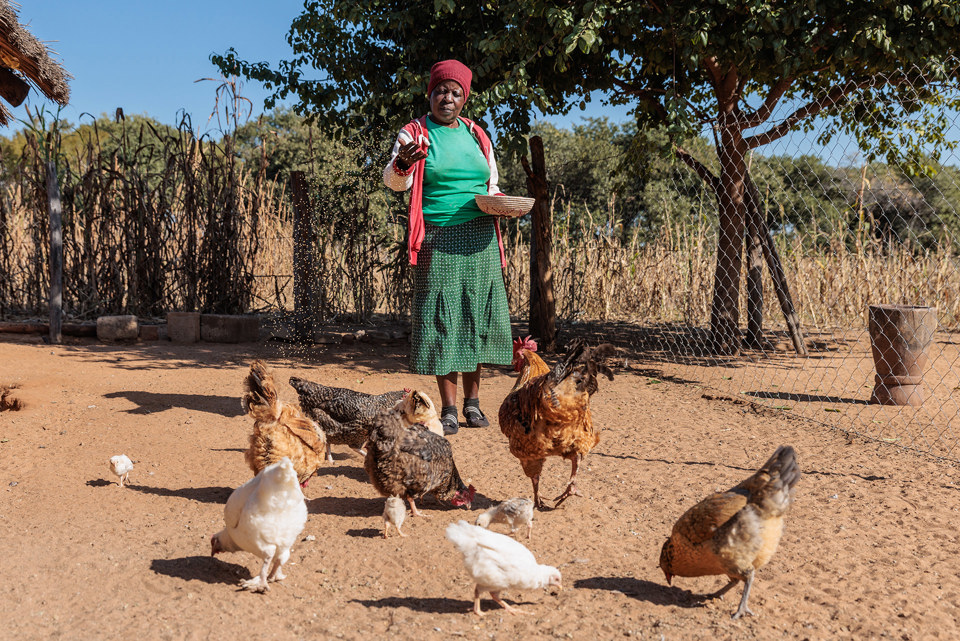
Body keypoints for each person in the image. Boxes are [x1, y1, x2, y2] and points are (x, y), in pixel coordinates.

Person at [383, 59, 512, 436]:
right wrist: (403, 165)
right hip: (438, 235)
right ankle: (450, 409)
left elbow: (492, 185)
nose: (448, 98)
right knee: (444, 317)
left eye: (456, 93)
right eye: (442, 90)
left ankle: (473, 404)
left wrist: (502, 202)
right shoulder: (414, 132)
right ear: (431, 93)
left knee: (476, 313)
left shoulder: (477, 134)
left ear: (464, 98)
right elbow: (394, 182)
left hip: (480, 235)